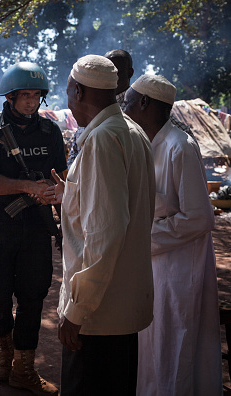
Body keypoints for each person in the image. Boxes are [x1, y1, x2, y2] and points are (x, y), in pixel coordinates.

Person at [51, 54, 155, 396]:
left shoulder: (101, 140)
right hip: (119, 311)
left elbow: (105, 233)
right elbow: (113, 209)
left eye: (67, 91)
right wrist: (71, 196)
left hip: (98, 317)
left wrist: (78, 308)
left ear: (77, 91)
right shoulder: (132, 131)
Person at [123, 74, 223, 395]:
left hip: (180, 267)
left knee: (176, 340)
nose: (123, 109)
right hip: (153, 264)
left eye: (127, 102)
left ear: (144, 103)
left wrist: (142, 237)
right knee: (153, 341)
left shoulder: (180, 146)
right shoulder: (146, 142)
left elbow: (199, 217)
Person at [0, 61, 65, 395]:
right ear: (9, 97)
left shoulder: (50, 131)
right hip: (0, 227)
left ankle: (24, 366)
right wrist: (26, 187)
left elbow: (62, 178)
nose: (30, 101)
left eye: (36, 95)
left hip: (38, 227)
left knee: (33, 296)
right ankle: (5, 352)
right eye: (24, 95)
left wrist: (54, 192)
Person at [66, 49, 134, 168]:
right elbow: (76, 151)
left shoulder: (136, 108)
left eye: (114, 70)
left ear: (78, 92)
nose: (109, 74)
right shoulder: (88, 114)